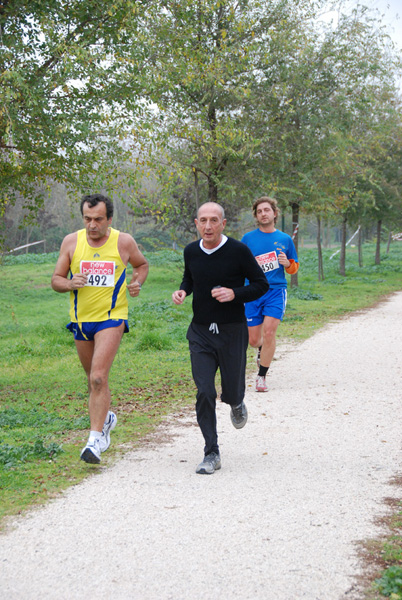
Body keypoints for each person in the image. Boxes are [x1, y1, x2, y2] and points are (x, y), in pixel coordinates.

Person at [51, 193, 149, 464]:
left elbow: (142, 265)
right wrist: (69, 284)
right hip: (81, 320)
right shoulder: (71, 242)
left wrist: (137, 281)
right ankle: (106, 418)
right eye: (87, 219)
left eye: (97, 219)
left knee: (97, 377)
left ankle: (94, 442)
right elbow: (56, 279)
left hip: (112, 317)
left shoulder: (124, 241)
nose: (91, 225)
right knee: (92, 379)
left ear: (109, 219)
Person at [172, 202, 269, 475]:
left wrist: (234, 293)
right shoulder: (191, 250)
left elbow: (261, 284)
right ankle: (211, 451)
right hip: (200, 331)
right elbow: (189, 278)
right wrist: (182, 291)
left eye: (214, 220)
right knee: (205, 391)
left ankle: (237, 400)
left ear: (223, 224)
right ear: (196, 223)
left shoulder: (238, 251)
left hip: (231, 331)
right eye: (203, 220)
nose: (208, 226)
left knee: (231, 391)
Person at [241, 196, 299, 393]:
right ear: (256, 216)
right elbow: (239, 265)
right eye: (259, 211)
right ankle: (260, 350)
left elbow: (294, 268)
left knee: (269, 332)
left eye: (267, 210)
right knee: (254, 340)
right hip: (252, 292)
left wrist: (287, 264)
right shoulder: (248, 239)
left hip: (275, 291)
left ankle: (261, 376)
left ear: (275, 213)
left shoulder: (285, 239)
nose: (263, 214)